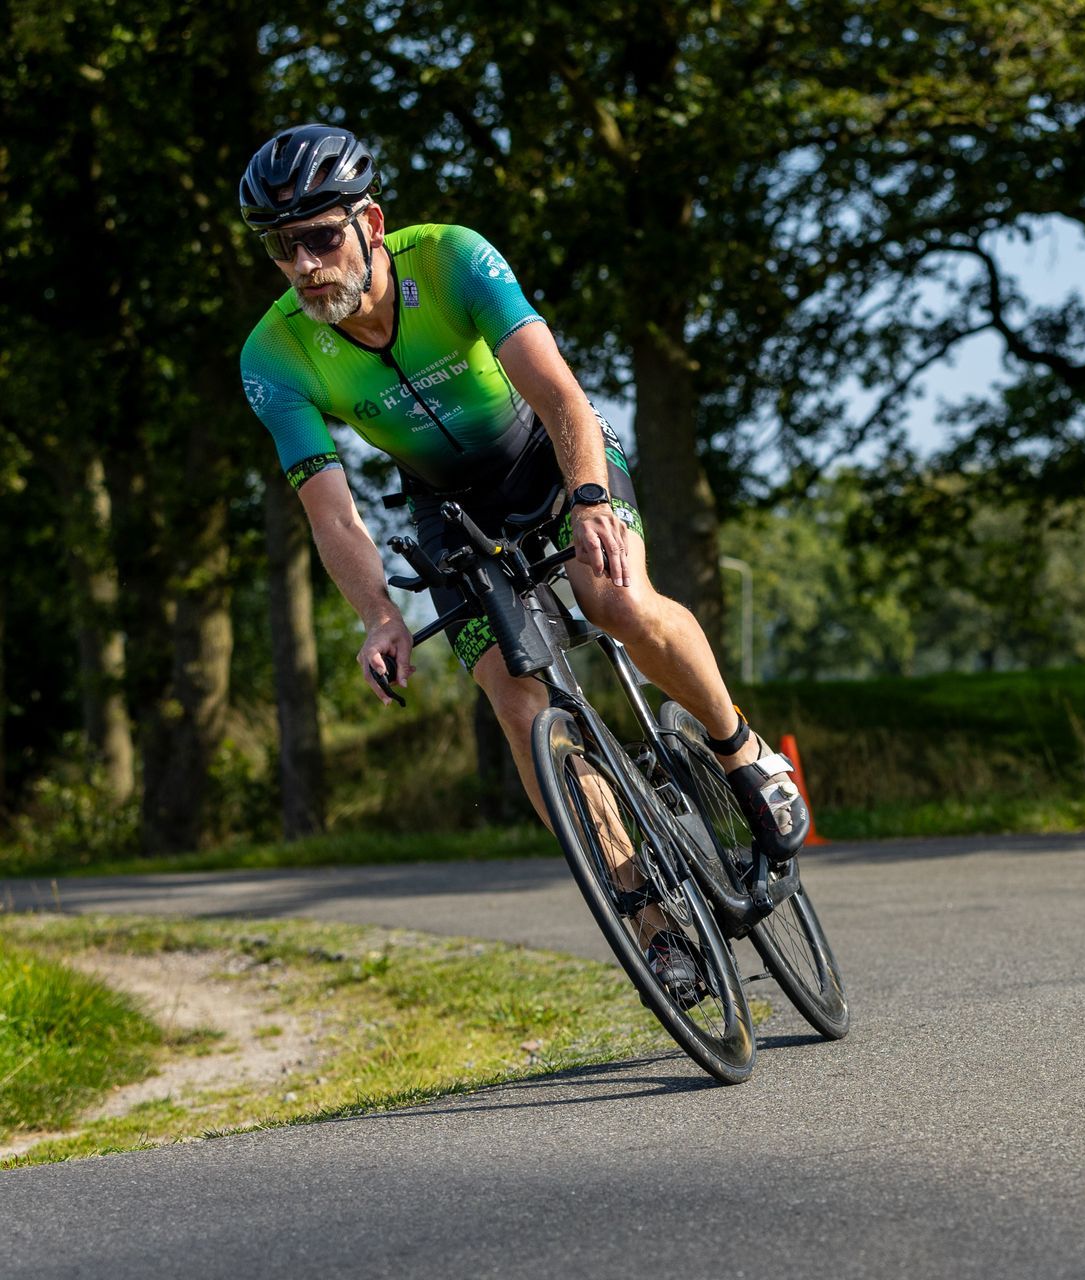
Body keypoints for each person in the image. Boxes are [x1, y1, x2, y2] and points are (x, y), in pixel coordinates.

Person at [236, 124, 809, 990]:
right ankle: (651, 921)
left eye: (322, 235)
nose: (307, 263)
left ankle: (742, 752)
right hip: (448, 504)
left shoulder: (454, 259)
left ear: (372, 223)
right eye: (286, 247)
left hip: (550, 453)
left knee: (614, 597)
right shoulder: (272, 354)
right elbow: (334, 514)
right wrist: (380, 617)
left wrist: (588, 502)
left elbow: (556, 391)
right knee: (515, 700)